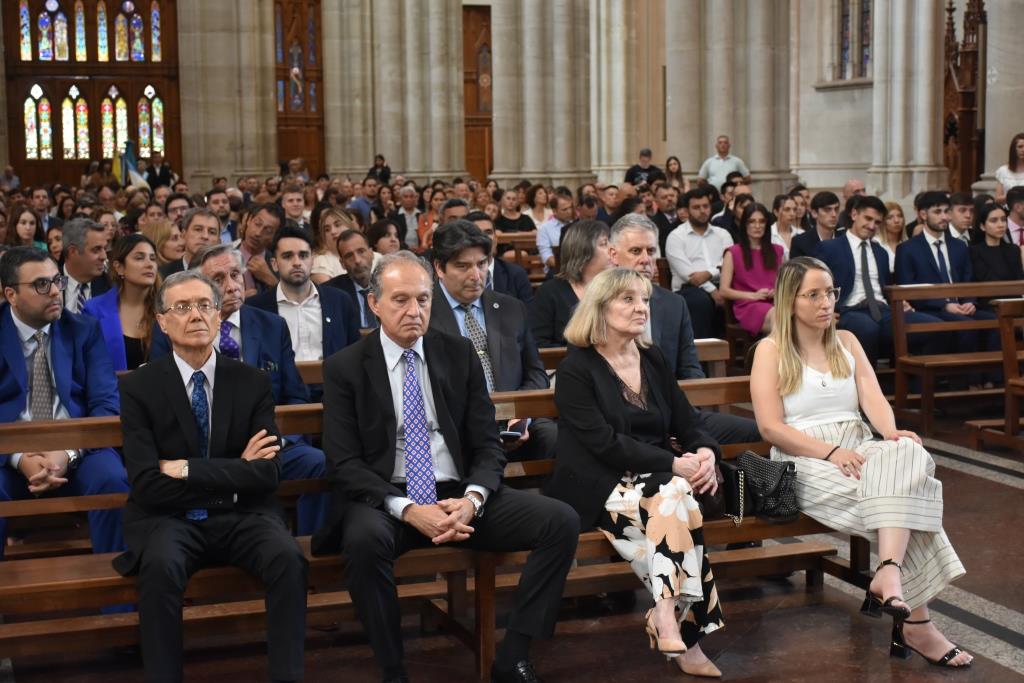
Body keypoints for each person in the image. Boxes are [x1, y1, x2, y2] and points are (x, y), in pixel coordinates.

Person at [312, 251, 579, 683]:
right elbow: (344, 463)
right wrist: (408, 509)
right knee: (362, 542)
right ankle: (393, 669)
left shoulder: (458, 354)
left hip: (456, 492)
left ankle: (513, 655)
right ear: (374, 303)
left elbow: (488, 446)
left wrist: (473, 499)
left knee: (560, 521)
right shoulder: (345, 368)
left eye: (422, 299)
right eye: (400, 300)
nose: (413, 311)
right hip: (388, 497)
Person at [750, 256, 973, 669]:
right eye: (813, 295)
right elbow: (770, 428)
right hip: (805, 455)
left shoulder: (847, 341)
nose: (825, 302)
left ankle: (888, 570)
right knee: (908, 510)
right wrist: (832, 453)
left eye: (830, 293)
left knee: (909, 451)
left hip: (859, 444)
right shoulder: (771, 349)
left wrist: (890, 434)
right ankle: (917, 623)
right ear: (788, 300)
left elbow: (871, 396)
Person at [115, 270, 307, 683]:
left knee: (288, 558)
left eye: (204, 305)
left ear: (219, 317)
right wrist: (237, 469)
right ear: (162, 322)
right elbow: (147, 482)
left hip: (244, 516)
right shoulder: (139, 387)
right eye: (181, 308)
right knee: (161, 567)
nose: (196, 315)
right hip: (171, 518)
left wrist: (186, 468)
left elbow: (268, 472)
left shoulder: (252, 381)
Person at [546, 267, 724, 677]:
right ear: (599, 308)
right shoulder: (577, 369)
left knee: (674, 498)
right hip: (600, 483)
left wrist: (705, 451)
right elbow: (604, 444)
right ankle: (686, 637)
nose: (641, 307)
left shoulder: (653, 358)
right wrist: (675, 463)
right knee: (679, 499)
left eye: (644, 299)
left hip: (660, 486)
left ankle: (664, 616)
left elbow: (687, 419)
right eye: (627, 299)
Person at [150, 244, 328, 536]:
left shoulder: (272, 325)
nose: (231, 286)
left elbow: (296, 397)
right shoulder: (172, 330)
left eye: (235, 274)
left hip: (266, 442)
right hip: (203, 448)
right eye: (218, 279)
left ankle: (313, 550)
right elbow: (163, 396)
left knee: (317, 463)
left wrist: (275, 442)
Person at [0, 246, 129, 559]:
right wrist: (20, 458)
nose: (56, 291)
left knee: (112, 479)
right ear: (11, 294)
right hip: (6, 455)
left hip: (78, 449)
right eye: (41, 285)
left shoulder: (82, 330)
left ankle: (118, 603)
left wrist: (68, 452)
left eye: (57, 280)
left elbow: (105, 404)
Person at [608, 214, 761, 444]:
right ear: (613, 255)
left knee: (759, 432)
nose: (645, 259)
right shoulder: (595, 306)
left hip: (674, 415)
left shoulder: (673, 304)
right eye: (635, 251)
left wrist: (688, 422)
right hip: (622, 423)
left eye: (650, 251)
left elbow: (691, 368)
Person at [429, 221, 556, 461]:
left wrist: (522, 416)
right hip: (458, 426)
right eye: (463, 266)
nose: (476, 275)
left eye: (482, 264)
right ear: (439, 267)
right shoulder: (424, 314)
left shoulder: (511, 307)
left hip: (514, 420)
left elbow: (536, 372)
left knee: (555, 438)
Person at [815, 195, 944, 368]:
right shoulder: (830, 248)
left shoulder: (880, 253)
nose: (871, 226)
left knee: (933, 326)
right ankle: (867, 389)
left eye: (877, 222)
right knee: (868, 329)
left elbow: (885, 287)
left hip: (883, 311)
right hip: (850, 310)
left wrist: (901, 301)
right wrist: (825, 311)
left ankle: (918, 389)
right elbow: (816, 284)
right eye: (867, 219)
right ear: (854, 214)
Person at [895, 190, 998, 363]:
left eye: (947, 211)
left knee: (995, 321)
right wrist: (945, 305)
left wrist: (969, 301)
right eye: (937, 212)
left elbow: (968, 279)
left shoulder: (959, 246)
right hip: (929, 308)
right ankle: (963, 383)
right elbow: (907, 288)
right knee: (966, 326)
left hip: (961, 305)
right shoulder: (908, 249)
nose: (944, 217)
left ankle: (994, 379)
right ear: (923, 214)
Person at [245, 225, 360, 364]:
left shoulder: (339, 301)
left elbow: (356, 355)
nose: (297, 263)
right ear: (274, 264)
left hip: (331, 384)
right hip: (281, 385)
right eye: (287, 256)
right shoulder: (256, 309)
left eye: (303, 255)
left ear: (312, 260)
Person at [83, 234, 160, 371]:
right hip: (113, 390)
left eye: (152, 258)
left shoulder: (167, 308)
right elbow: (89, 367)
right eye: (139, 258)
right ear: (119, 267)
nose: (149, 264)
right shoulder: (94, 310)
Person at [665, 186, 734, 339]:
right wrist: (713, 289)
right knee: (701, 301)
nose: (702, 211)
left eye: (705, 206)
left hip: (723, 284)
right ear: (687, 210)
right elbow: (692, 277)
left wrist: (709, 273)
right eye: (696, 207)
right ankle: (702, 357)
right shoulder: (676, 237)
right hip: (688, 289)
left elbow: (731, 263)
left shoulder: (723, 234)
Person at [529, 220, 611, 347]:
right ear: (584, 251)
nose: (612, 249)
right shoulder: (549, 293)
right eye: (604, 244)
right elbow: (538, 344)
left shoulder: (616, 289)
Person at [720, 202, 784, 335]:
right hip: (748, 306)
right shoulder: (733, 252)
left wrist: (776, 291)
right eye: (752, 221)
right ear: (744, 224)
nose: (757, 226)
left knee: (797, 314)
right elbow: (724, 291)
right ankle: (779, 355)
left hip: (775, 302)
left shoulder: (778, 251)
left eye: (761, 221)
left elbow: (784, 283)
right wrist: (753, 296)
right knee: (780, 317)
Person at [468, 211, 534, 304]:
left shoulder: (516, 275)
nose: (484, 238)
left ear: (496, 239)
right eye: (476, 233)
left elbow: (527, 315)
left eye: (488, 232)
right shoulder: (455, 277)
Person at [970, 203, 1024, 308]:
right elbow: (984, 282)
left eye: (1003, 220)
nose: (1001, 225)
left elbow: (1019, 279)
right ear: (982, 226)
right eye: (993, 220)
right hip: (988, 305)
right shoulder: (974, 251)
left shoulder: (1013, 249)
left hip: (1015, 304)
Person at [325, 230, 379, 329]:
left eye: (361, 251)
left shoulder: (388, 286)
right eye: (349, 256)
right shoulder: (331, 292)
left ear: (371, 254)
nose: (357, 260)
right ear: (342, 263)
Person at [60, 217, 112, 314]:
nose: (104, 256)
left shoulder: (110, 287)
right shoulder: (49, 285)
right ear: (73, 252)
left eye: (104, 248)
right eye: (96, 250)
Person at [158, 207, 221, 278]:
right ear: (183, 234)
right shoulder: (162, 274)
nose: (205, 236)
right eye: (198, 229)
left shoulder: (226, 274)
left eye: (212, 232)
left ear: (219, 241)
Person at [237, 202, 282, 297]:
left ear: (274, 237)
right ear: (248, 220)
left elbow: (290, 303)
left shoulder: (279, 264)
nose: (258, 233)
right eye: (257, 224)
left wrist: (270, 279)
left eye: (268, 231)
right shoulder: (225, 256)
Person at [310, 207, 357, 284]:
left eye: (337, 225)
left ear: (350, 226)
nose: (333, 231)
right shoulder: (321, 262)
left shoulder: (374, 256)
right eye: (327, 230)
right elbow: (330, 293)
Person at [789, 191, 841, 260]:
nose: (834, 214)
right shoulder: (800, 242)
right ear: (814, 213)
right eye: (827, 210)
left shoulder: (845, 239)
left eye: (836, 209)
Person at [536, 194, 574, 274]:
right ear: (554, 211)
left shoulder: (576, 225)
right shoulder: (545, 228)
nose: (569, 212)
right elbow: (547, 256)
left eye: (570, 208)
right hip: (556, 269)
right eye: (564, 209)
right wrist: (566, 268)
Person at [994, 132, 1024, 203]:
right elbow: (997, 198)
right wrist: (1013, 196)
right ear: (1014, 149)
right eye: (1020, 146)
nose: (1023, 150)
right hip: (1008, 210)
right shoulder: (1003, 171)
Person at [876, 201, 907, 270]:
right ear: (882, 221)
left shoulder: (907, 243)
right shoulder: (876, 243)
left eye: (899, 216)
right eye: (890, 217)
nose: (896, 221)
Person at [770, 193, 803, 257]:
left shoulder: (801, 233)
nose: (792, 214)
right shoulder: (768, 233)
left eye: (794, 209)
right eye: (787, 209)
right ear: (776, 212)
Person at [390, 186, 422, 251]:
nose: (409, 199)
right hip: (400, 250)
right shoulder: (394, 215)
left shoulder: (421, 214)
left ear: (415, 198)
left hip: (420, 249)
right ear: (401, 199)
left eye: (411, 196)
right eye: (406, 197)